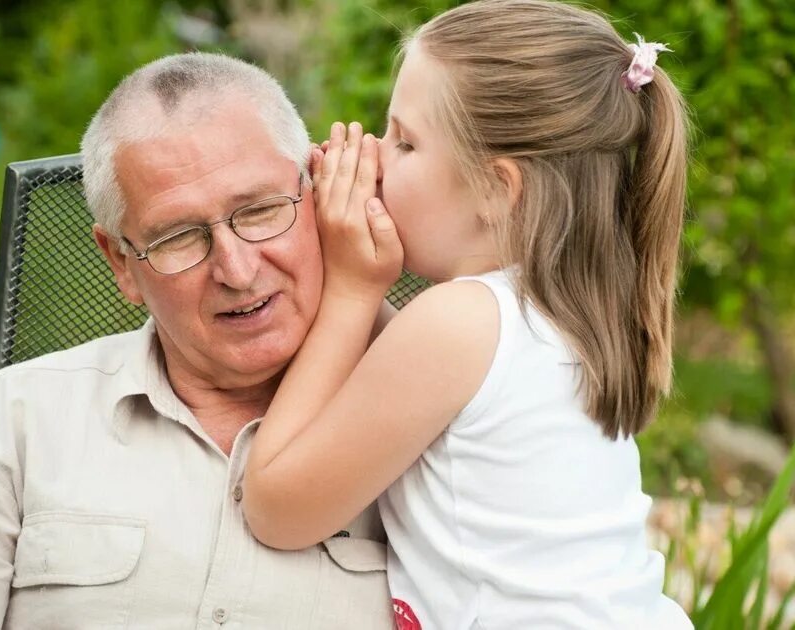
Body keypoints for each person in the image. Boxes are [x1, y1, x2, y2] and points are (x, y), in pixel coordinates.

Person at [0, 53, 395, 629]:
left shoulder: (438, 429)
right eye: (178, 236)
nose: (238, 269)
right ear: (121, 263)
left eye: (259, 211)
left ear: (321, 194)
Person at [240, 0, 695, 627]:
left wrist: (350, 290)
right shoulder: (571, 317)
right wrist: (361, 280)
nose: (375, 151)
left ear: (494, 189)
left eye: (404, 141)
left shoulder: (458, 324)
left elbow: (277, 509)